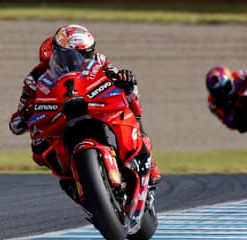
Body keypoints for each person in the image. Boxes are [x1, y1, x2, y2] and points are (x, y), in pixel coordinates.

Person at [9, 24, 161, 188]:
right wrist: (23, 116)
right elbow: (22, 110)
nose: (83, 59)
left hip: (94, 104)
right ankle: (73, 181)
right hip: (59, 115)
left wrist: (124, 79)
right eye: (75, 54)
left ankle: (145, 157)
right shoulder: (36, 77)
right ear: (59, 53)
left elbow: (114, 76)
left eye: (87, 53)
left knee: (130, 95)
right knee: (39, 150)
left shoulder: (99, 59)